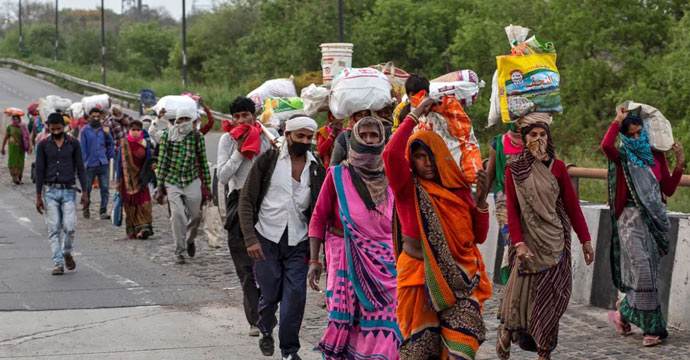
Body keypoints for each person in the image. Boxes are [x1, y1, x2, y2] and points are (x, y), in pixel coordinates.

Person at [383, 97, 491, 360]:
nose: (427, 163)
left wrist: (481, 202)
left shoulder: (458, 192)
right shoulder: (408, 189)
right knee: (421, 352)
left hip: (459, 279)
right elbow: (390, 154)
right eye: (419, 157)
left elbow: (478, 237)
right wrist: (416, 113)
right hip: (417, 278)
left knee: (462, 348)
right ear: (412, 160)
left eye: (431, 156)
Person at [496, 114, 595, 360]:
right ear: (524, 138)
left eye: (543, 135)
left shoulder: (558, 167)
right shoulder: (514, 169)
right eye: (533, 135)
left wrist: (585, 240)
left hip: (555, 242)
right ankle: (509, 332)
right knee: (520, 296)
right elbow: (513, 210)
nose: (539, 139)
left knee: (554, 297)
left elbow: (571, 206)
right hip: (527, 243)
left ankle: (544, 350)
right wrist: (518, 243)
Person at [308, 117, 401, 359]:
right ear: (356, 139)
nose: (370, 140)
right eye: (365, 135)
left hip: (385, 261)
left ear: (382, 140)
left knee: (388, 316)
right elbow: (318, 218)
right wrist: (314, 261)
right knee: (348, 318)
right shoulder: (337, 175)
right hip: (344, 256)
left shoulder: (392, 175)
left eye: (374, 136)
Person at [238, 116, 326, 360]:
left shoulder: (316, 167)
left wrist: (319, 252)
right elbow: (246, 200)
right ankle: (265, 328)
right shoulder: (268, 161)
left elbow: (321, 209)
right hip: (266, 239)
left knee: (295, 298)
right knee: (270, 293)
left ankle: (289, 351)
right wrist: (250, 239)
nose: (305, 142)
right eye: (300, 136)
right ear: (288, 136)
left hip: (299, 242)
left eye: (309, 137)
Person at [602, 106, 684, 347]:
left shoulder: (655, 157)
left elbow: (667, 189)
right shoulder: (623, 156)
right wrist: (617, 120)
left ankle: (623, 311)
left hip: (652, 222)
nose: (637, 138)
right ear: (625, 136)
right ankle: (653, 328)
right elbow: (606, 146)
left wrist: (680, 163)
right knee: (643, 270)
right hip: (629, 219)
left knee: (647, 273)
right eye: (631, 135)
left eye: (640, 133)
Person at [217, 96, 275, 337]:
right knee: (245, 267)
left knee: (267, 263)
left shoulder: (268, 137)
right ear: (232, 119)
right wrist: (240, 152)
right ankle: (255, 319)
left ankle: (268, 310)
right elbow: (222, 175)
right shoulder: (226, 140)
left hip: (266, 203)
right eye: (237, 117)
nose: (242, 120)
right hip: (238, 201)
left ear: (254, 115)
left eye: (246, 116)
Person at [155, 107, 212, 265]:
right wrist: (160, 187)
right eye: (181, 119)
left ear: (193, 121)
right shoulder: (168, 136)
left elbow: (203, 162)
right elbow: (162, 162)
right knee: (178, 215)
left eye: (188, 119)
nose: (184, 123)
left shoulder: (197, 136)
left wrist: (207, 186)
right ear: (176, 121)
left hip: (191, 179)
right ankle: (179, 251)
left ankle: (190, 239)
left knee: (196, 215)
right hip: (172, 180)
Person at [35, 113, 88, 275]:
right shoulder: (43, 145)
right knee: (54, 228)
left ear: (64, 127)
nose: (56, 132)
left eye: (59, 129)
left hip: (69, 191)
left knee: (70, 227)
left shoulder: (74, 143)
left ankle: (67, 251)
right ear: (48, 128)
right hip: (50, 191)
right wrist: (38, 195)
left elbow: (80, 167)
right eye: (53, 129)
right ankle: (58, 263)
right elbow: (39, 170)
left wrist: (85, 192)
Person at [486, 122, 523, 284]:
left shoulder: (536, 140)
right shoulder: (499, 143)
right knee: (512, 244)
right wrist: (479, 204)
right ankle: (511, 283)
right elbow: (489, 175)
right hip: (505, 202)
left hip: (529, 200)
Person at [116, 120, 154, 239]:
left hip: (141, 179)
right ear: (129, 130)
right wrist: (118, 180)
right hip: (127, 181)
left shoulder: (145, 143)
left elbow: (149, 160)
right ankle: (133, 229)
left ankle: (143, 228)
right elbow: (119, 163)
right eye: (133, 130)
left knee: (144, 203)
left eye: (138, 130)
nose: (135, 132)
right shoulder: (124, 144)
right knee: (130, 205)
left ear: (142, 131)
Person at [80, 107, 113, 220]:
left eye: (98, 117)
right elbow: (83, 148)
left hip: (102, 162)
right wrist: (84, 162)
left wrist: (108, 135)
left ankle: (103, 210)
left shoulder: (104, 130)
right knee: (87, 187)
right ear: (89, 117)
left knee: (105, 188)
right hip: (90, 164)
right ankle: (86, 208)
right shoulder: (85, 131)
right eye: (93, 116)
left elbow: (110, 144)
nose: (96, 118)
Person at [1, 113, 31, 184]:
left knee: (20, 162)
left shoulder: (23, 127)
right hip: (13, 149)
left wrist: (30, 146)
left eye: (17, 119)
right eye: (14, 119)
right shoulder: (10, 127)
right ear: (12, 120)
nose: (16, 120)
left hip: (21, 148)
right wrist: (2, 147)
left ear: (19, 119)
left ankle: (19, 177)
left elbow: (27, 137)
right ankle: (15, 177)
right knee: (13, 162)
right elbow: (5, 138)